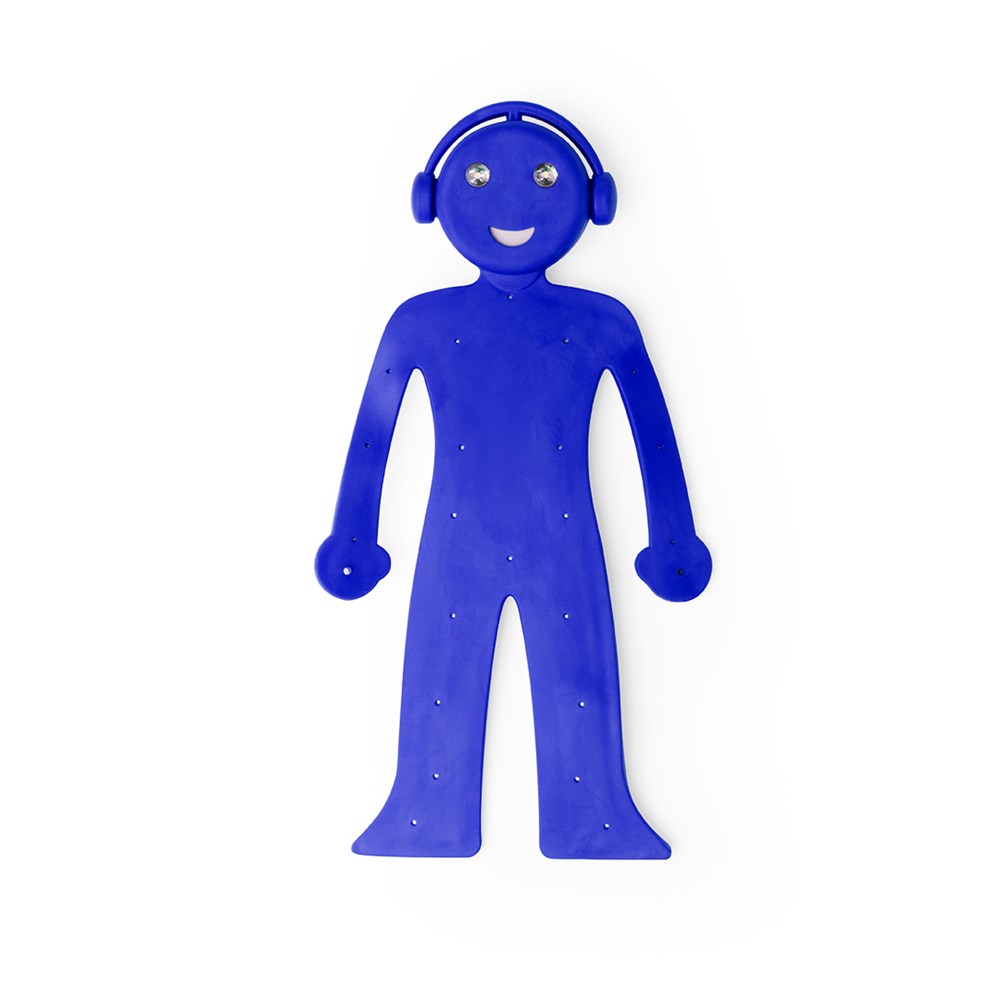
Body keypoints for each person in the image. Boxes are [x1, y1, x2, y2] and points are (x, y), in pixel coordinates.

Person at [315, 103, 711, 858]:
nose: (510, 200)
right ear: (434, 199)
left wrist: (673, 538)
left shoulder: (604, 322)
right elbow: (374, 434)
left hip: (561, 536)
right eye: (477, 178)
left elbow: (652, 435)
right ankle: (422, 814)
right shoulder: (419, 322)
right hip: (455, 535)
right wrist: (353, 532)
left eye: (542, 178)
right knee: (441, 672)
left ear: (591, 200)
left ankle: (597, 818)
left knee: (576, 673)